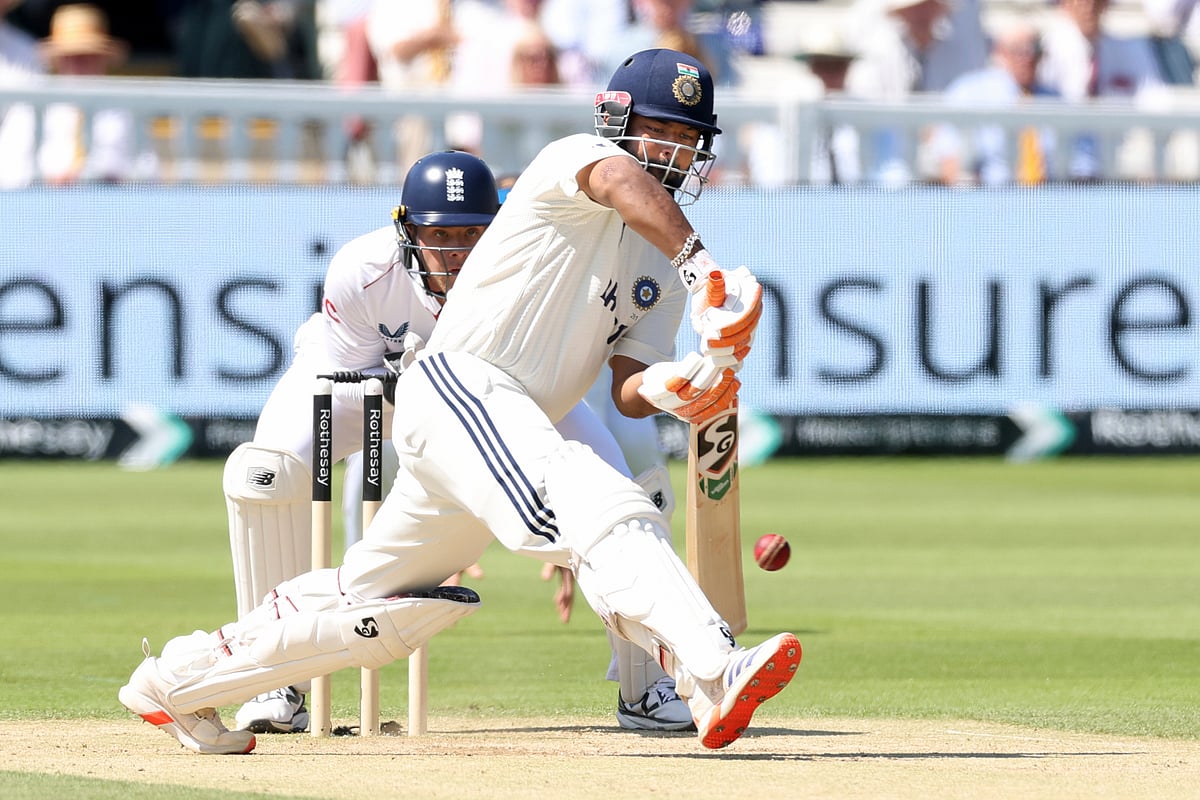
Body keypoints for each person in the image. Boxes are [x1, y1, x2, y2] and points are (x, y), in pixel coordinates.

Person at [118, 47, 800, 754]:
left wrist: (678, 384)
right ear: (616, 120)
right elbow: (622, 179)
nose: (677, 150)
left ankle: (179, 680)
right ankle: (713, 670)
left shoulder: (657, 259)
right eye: (664, 131)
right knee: (598, 495)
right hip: (462, 387)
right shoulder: (579, 162)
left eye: (690, 140)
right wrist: (704, 269)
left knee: (370, 603)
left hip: (500, 425)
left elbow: (629, 382)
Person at [228, 148, 692, 735]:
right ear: (406, 230)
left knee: (626, 492)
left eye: (473, 233)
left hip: (498, 398)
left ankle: (647, 686)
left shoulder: (534, 265)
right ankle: (272, 681)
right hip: (364, 393)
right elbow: (350, 389)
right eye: (438, 234)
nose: (454, 251)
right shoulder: (363, 269)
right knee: (264, 474)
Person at [930, 19, 1059, 187]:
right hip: (991, 200)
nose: (1028, 58)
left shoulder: (1056, 98)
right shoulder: (970, 92)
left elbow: (1083, 163)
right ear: (1000, 51)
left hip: (1053, 202)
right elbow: (949, 159)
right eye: (1018, 50)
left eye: (1034, 50)